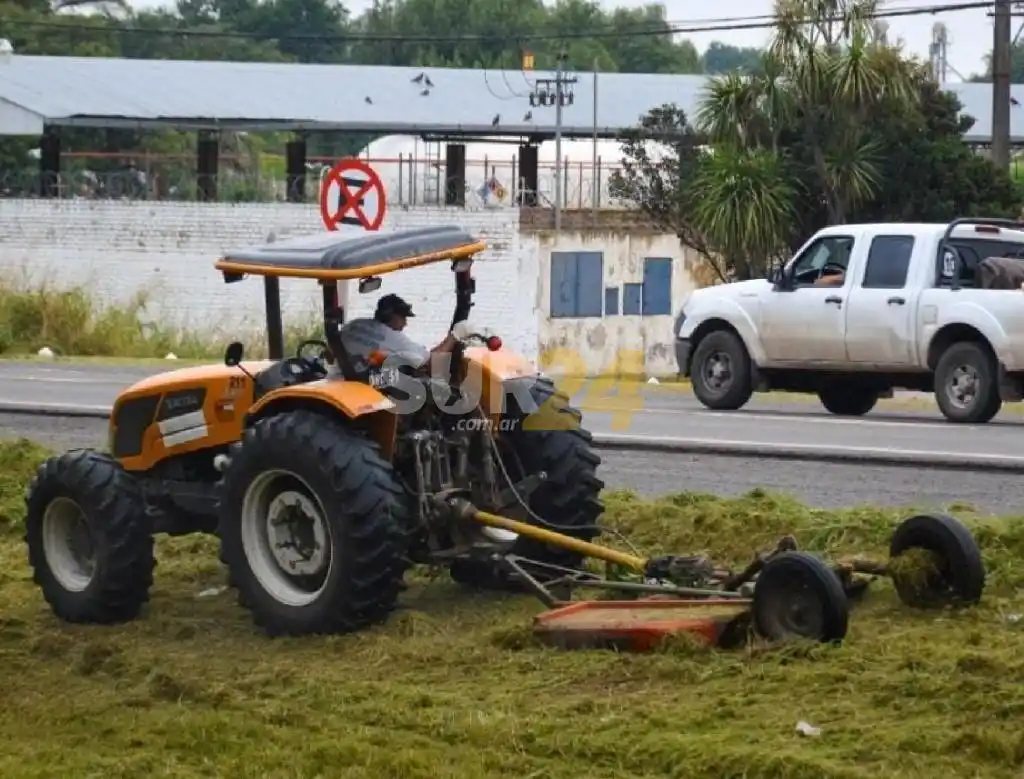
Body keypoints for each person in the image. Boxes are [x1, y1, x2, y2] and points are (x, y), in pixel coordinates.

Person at [338, 293, 463, 375]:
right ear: (392, 316)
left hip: (342, 377)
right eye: (403, 318)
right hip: (368, 385)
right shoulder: (393, 338)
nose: (405, 324)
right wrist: (454, 336)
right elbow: (432, 362)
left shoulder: (355, 324)